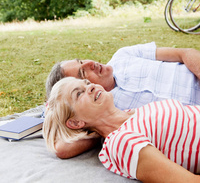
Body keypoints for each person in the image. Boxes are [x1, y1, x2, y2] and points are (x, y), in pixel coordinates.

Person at [45, 42, 200, 158]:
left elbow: (184, 53)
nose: (90, 63)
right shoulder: (107, 114)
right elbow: (61, 148)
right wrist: (51, 109)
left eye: (81, 61)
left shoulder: (123, 55)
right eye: (82, 73)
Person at [43, 77, 200, 183]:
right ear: (76, 122)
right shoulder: (121, 142)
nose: (90, 87)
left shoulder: (131, 113)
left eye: (86, 83)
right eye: (79, 93)